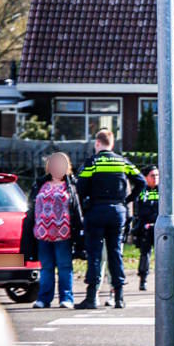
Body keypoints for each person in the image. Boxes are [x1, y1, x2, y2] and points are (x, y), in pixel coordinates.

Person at [75, 129, 144, 310]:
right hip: (117, 211)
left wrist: (86, 201)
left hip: (96, 211)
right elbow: (142, 181)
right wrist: (127, 200)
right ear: (112, 144)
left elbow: (79, 185)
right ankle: (119, 297)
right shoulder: (122, 162)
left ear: (97, 143)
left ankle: (91, 297)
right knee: (115, 254)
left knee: (95, 255)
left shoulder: (93, 163)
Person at [23, 152, 84, 310]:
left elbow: (77, 210)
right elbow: (30, 207)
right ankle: (44, 299)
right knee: (46, 268)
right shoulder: (40, 184)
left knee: (64, 267)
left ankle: (66, 298)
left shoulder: (72, 185)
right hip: (42, 234)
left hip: (64, 234)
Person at [131, 166, 161, 292]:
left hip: (160, 227)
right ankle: (143, 279)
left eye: (157, 176)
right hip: (146, 227)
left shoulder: (163, 190)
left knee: (163, 255)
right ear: (145, 177)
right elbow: (139, 209)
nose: (155, 179)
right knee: (145, 254)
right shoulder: (142, 191)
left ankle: (164, 280)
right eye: (152, 176)